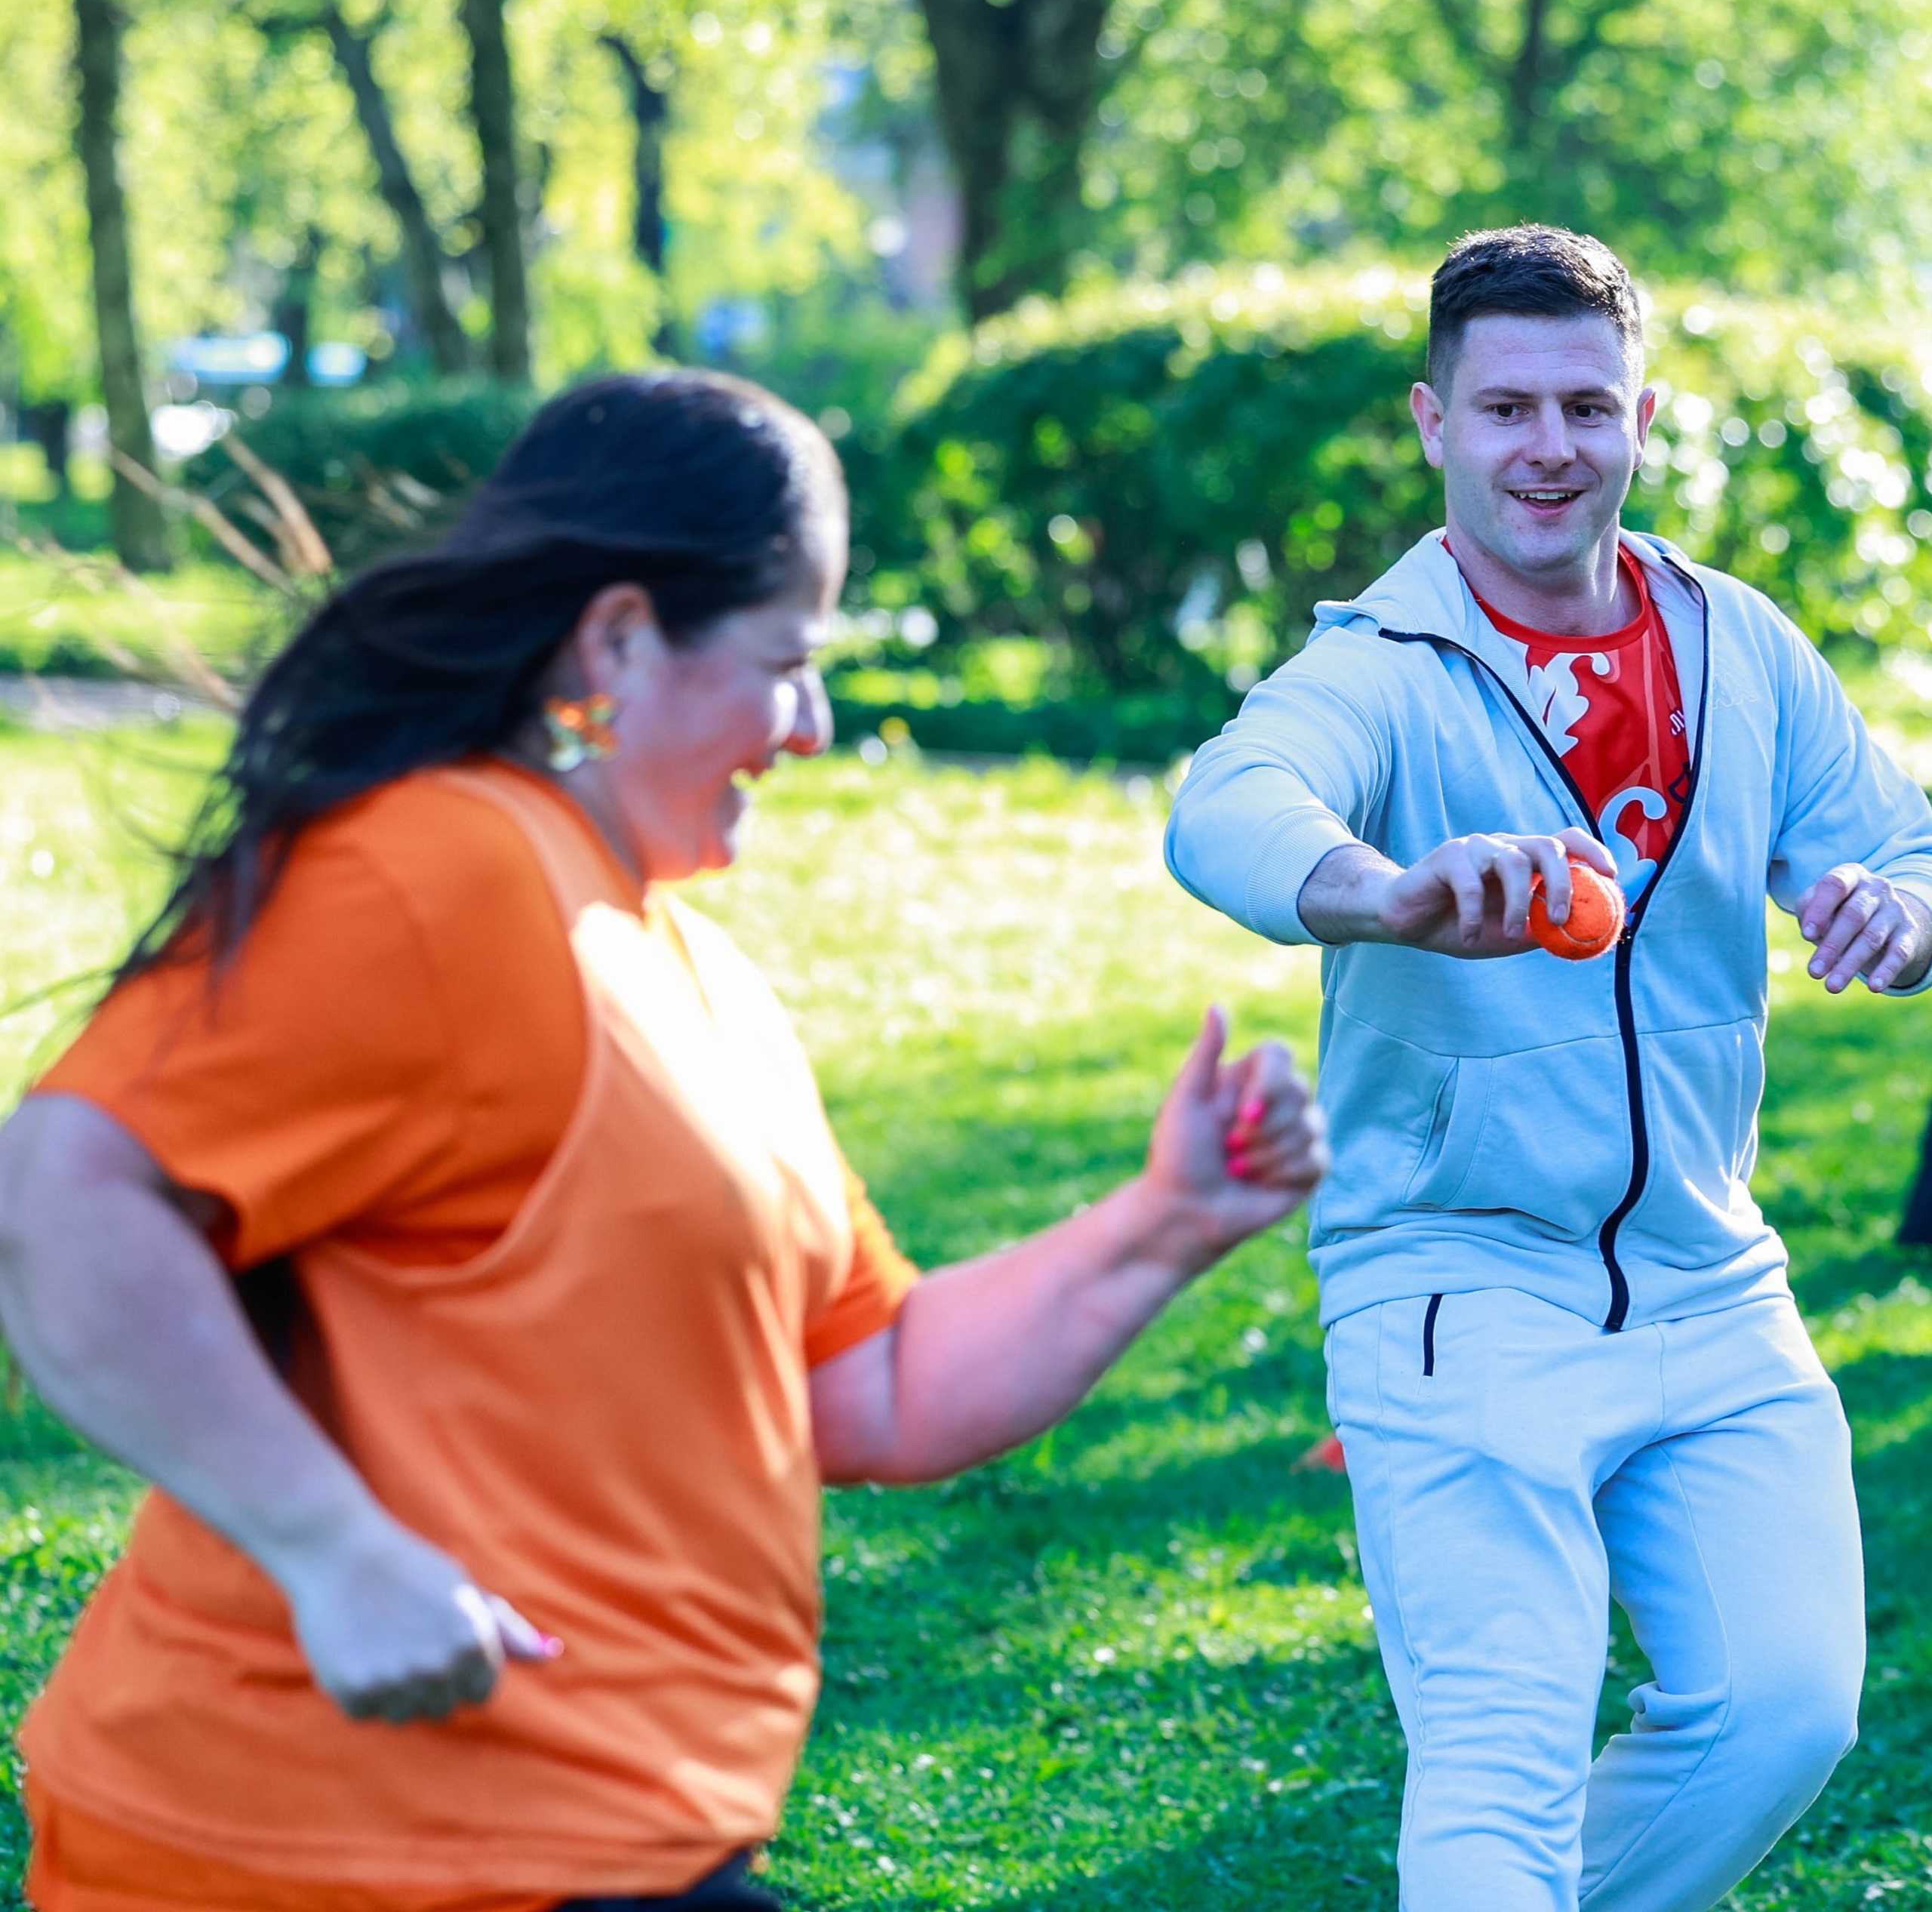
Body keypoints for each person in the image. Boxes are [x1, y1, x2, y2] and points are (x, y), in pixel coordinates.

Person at [0, 369, 1329, 1912]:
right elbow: (62, 1194)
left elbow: (874, 1381)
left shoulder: (692, 970)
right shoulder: (449, 869)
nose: (814, 727)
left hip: (615, 1841)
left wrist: (1167, 1220)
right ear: (618, 640)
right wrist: (331, 1547)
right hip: (329, 1849)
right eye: (787, 662)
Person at [1164, 225, 1932, 1912]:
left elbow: (1902, 839)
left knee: (1782, 1712)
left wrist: (1902, 908)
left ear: (1639, 418)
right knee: (1498, 1760)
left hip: (1710, 1278)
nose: (1547, 447)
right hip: (1452, 1281)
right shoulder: (1378, 667)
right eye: (1504, 408)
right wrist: (1382, 892)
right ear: (1432, 421)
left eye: (1586, 407)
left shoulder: (1738, 644)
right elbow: (1226, 805)